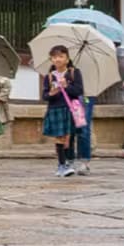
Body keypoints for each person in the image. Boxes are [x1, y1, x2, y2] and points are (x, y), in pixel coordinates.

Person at [42, 45, 83, 176]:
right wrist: (52, 93)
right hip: (56, 109)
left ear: (67, 59)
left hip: (71, 109)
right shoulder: (49, 77)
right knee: (60, 137)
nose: (58, 59)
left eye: (61, 56)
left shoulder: (73, 73)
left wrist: (67, 86)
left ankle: (70, 161)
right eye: (54, 57)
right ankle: (61, 165)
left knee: (69, 137)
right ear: (51, 59)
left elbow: (79, 91)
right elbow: (45, 96)